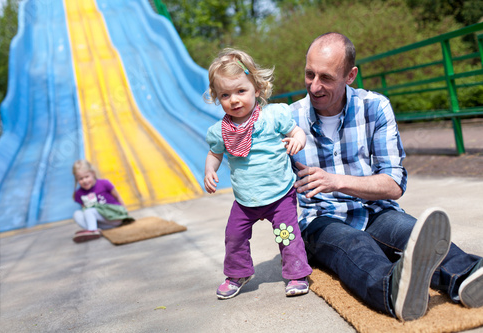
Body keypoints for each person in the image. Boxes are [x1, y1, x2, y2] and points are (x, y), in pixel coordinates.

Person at [290, 32, 483, 321]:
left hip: (375, 209)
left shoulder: (375, 107)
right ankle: (393, 290)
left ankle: (468, 275)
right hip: (321, 219)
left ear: (350, 75)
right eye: (309, 74)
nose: (314, 86)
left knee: (410, 232)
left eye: (326, 78)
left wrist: (336, 181)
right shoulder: (288, 120)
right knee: (356, 245)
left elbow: (393, 185)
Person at [204, 48, 313, 299]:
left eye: (241, 91)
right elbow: (215, 153)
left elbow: (296, 132)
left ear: (257, 89)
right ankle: (238, 272)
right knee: (234, 236)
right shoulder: (220, 131)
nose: (234, 99)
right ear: (217, 97)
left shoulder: (273, 116)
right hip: (246, 200)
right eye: (225, 94)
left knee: (287, 235)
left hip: (279, 195)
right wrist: (210, 170)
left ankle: (296, 273)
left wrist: (297, 140)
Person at [72, 160, 134, 243]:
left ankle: (93, 230)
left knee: (89, 211)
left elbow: (118, 197)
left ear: (93, 173)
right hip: (102, 222)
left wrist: (125, 211)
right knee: (77, 214)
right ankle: (94, 229)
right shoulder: (79, 193)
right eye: (81, 179)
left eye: (87, 177)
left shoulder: (104, 183)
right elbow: (84, 208)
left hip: (114, 216)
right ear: (76, 179)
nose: (84, 181)